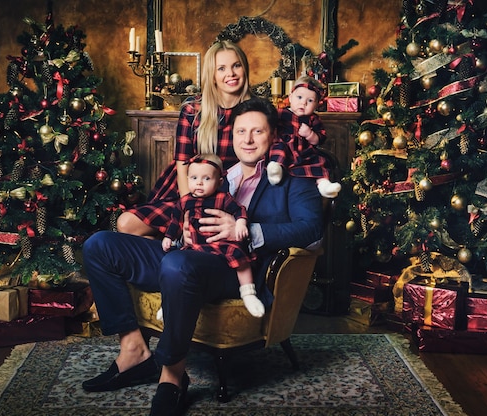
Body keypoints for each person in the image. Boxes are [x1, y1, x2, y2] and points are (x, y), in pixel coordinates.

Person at [81, 97, 324, 415]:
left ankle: (172, 377)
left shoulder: (294, 176)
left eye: (257, 132)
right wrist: (179, 229)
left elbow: (312, 228)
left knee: (177, 264)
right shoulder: (221, 175)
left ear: (273, 135)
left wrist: (248, 229)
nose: (247, 140)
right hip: (186, 255)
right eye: (240, 132)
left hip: (235, 268)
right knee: (99, 245)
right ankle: (135, 351)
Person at [117, 40, 253, 237]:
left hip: (229, 195)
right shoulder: (193, 109)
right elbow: (182, 163)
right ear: (212, 75)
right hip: (189, 190)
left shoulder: (255, 110)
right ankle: (170, 247)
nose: (230, 73)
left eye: (236, 65)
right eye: (221, 68)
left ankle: (176, 250)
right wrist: (188, 211)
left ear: (245, 68)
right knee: (126, 223)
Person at [161, 153, 264, 318]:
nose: (199, 183)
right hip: (195, 245)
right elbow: (175, 222)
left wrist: (241, 223)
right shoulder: (185, 201)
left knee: (238, 256)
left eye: (207, 178)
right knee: (173, 264)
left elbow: (240, 210)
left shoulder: (223, 198)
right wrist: (168, 237)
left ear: (219, 182)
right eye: (194, 178)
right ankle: (167, 303)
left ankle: (248, 292)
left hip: (220, 244)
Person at [266, 76, 342, 198]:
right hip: (286, 148)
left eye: (310, 101)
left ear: (316, 104)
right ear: (290, 97)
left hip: (305, 152)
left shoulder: (313, 119)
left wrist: (310, 134)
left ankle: (324, 185)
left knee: (319, 162)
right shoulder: (281, 113)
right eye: (299, 97)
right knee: (278, 149)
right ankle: (275, 169)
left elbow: (320, 139)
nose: (303, 103)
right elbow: (268, 126)